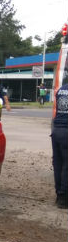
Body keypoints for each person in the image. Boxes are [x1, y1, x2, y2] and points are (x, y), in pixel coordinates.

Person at [51, 78, 68, 208]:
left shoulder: (61, 90)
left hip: (56, 130)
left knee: (58, 163)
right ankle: (63, 197)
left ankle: (59, 194)